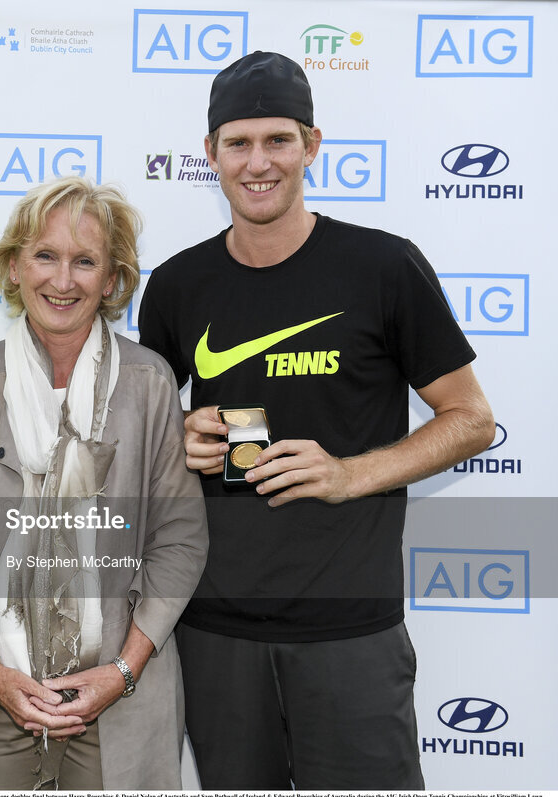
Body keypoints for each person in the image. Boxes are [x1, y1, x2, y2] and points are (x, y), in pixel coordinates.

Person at [137, 52, 494, 789]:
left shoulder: (384, 267)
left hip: (351, 631)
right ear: (210, 155)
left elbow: (470, 419)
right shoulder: (176, 284)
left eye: (278, 140)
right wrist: (179, 434)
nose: (258, 161)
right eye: (238, 143)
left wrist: (347, 474)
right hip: (215, 630)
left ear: (312, 145)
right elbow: (142, 431)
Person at [0, 176, 208, 790]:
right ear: (14, 266)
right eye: (45, 255)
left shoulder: (151, 383)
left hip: (120, 692)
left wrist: (121, 672)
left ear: (112, 280)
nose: (63, 279)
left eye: (85, 261)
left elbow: (179, 542)